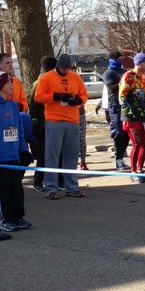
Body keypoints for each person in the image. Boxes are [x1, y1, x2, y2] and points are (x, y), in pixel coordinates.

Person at [0, 71, 33, 232]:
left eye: (11, 82)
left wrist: (24, 150)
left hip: (14, 155)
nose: (11, 85)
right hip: (0, 158)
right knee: (4, 190)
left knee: (17, 189)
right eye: (7, 82)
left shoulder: (12, 104)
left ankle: (18, 216)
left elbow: (18, 129)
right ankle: (6, 219)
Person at [34, 54, 88, 199]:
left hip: (72, 120)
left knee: (72, 155)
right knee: (52, 155)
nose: (65, 71)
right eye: (63, 68)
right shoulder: (46, 77)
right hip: (54, 120)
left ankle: (71, 187)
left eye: (68, 68)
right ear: (58, 66)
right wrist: (56, 96)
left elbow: (84, 95)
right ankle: (51, 188)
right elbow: (38, 96)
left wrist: (78, 101)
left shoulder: (75, 77)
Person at [119, 53, 145, 183]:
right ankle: (133, 172)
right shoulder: (128, 76)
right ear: (138, 63)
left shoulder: (144, 76)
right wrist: (127, 111)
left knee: (144, 145)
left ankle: (140, 170)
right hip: (131, 118)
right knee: (136, 144)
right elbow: (122, 96)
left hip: (142, 116)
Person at [27, 56, 57, 192]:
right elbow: (32, 104)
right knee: (43, 155)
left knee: (54, 153)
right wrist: (35, 122)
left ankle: (56, 180)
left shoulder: (52, 81)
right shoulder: (39, 83)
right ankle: (38, 181)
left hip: (53, 121)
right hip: (42, 124)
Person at [102, 51, 130, 171]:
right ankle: (118, 159)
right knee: (118, 133)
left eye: (121, 59)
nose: (120, 61)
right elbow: (111, 88)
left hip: (126, 104)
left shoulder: (124, 72)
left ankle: (121, 157)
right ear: (112, 60)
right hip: (115, 105)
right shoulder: (108, 73)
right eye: (117, 59)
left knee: (127, 132)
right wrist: (124, 82)